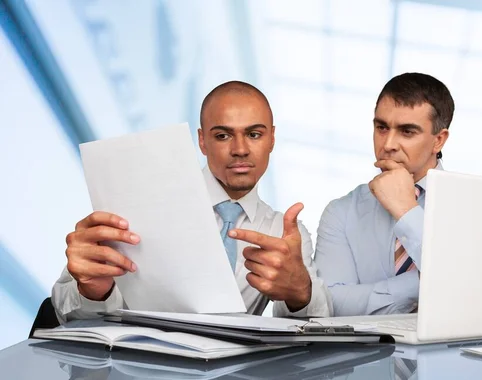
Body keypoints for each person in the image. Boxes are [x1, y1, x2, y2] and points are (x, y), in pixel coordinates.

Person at [51, 81, 332, 323]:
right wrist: (91, 291)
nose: (240, 150)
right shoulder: (138, 201)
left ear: (271, 139)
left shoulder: (284, 236)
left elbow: (307, 331)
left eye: (254, 134)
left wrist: (300, 293)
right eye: (222, 135)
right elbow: (65, 313)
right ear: (202, 141)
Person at [313, 72, 454, 316]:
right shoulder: (342, 212)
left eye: (407, 132)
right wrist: (426, 283)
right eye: (381, 127)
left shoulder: (474, 206)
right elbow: (331, 306)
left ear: (438, 141)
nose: (387, 144)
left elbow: (475, 295)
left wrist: (407, 213)